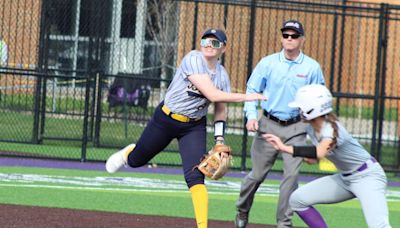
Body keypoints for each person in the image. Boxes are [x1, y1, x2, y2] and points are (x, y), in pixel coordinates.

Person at [105, 28, 266, 228]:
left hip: (193, 126)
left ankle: (202, 226)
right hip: (166, 119)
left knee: (195, 177)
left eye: (215, 43)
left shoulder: (222, 75)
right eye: (206, 40)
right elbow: (213, 95)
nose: (209, 45)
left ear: (223, 48)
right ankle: (129, 152)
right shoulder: (193, 59)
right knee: (136, 161)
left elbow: (219, 109)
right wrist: (248, 97)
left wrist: (219, 140)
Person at [235, 20, 325, 228]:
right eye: (286, 35)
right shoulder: (268, 63)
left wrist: (316, 135)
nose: (289, 39)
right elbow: (252, 89)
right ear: (281, 38)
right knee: (256, 176)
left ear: (302, 39)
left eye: (294, 36)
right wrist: (250, 116)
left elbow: (318, 98)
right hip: (268, 124)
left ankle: (284, 223)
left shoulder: (312, 67)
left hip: (296, 127)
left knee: (291, 177)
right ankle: (242, 208)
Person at [263, 84, 392, 228]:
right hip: (345, 178)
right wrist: (300, 154)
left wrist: (284, 148)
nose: (299, 110)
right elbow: (314, 158)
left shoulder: (331, 128)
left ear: (313, 109)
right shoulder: (312, 128)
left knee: (379, 225)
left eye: (301, 107)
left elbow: (319, 152)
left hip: (368, 177)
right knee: (297, 200)